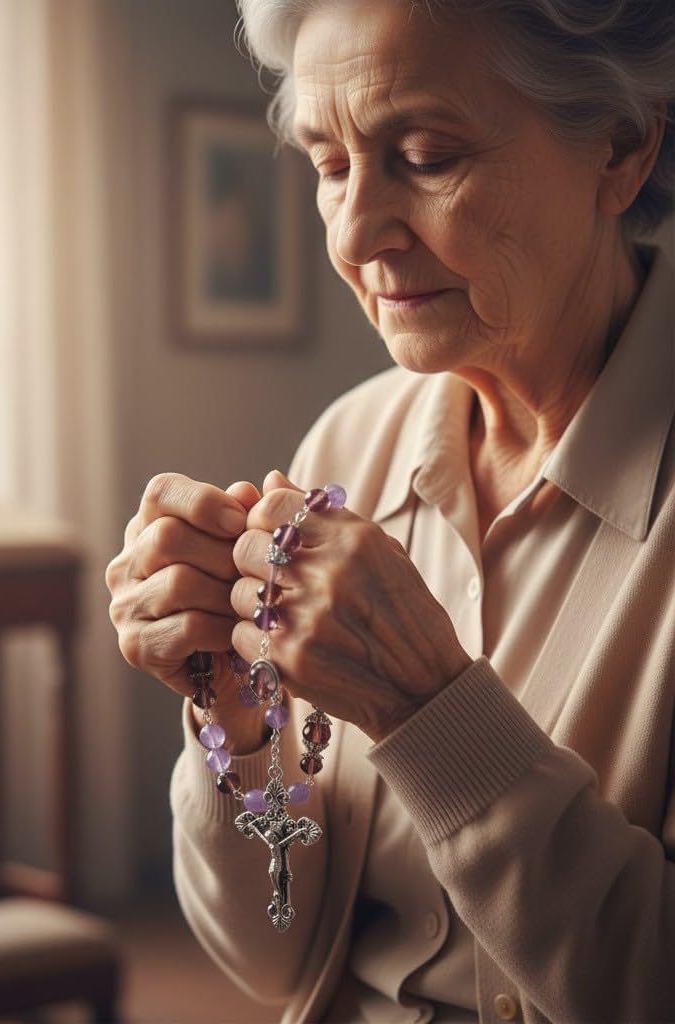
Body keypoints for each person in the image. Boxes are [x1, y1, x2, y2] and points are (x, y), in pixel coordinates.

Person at [105, 0, 674, 1020]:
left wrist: (432, 713)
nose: (355, 232)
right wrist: (235, 717)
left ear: (621, 149)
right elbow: (279, 961)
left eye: (423, 154)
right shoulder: (344, 449)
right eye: (329, 165)